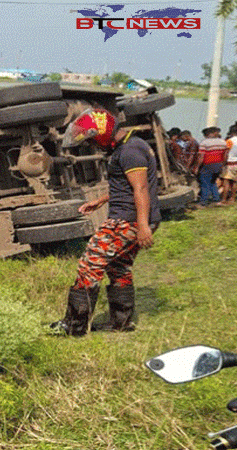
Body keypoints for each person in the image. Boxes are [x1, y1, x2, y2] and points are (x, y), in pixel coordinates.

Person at [51, 109, 161, 335]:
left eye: (92, 140)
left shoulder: (129, 151)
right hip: (131, 218)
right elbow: (130, 187)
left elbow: (141, 189)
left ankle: (74, 326)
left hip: (126, 221)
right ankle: (121, 322)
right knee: (119, 267)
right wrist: (101, 200)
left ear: (101, 134)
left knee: (89, 266)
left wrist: (142, 226)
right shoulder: (132, 146)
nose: (93, 146)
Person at [193, 127, 228, 207]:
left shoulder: (204, 143)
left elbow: (201, 157)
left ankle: (203, 202)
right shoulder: (223, 142)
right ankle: (216, 200)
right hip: (218, 164)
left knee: (205, 183)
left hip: (207, 165)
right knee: (213, 182)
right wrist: (223, 164)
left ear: (208, 134)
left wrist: (197, 167)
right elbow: (225, 155)